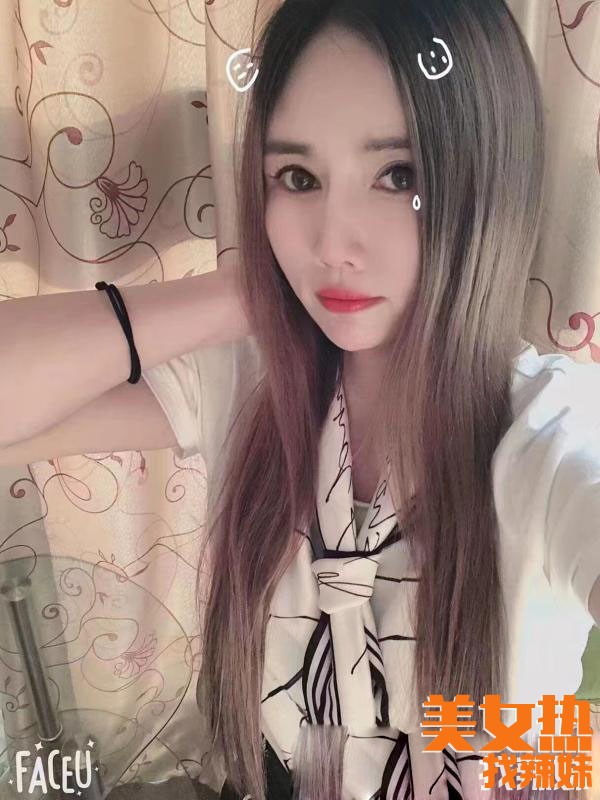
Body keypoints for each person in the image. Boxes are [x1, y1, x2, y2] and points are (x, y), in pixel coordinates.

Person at [0, 1, 599, 799]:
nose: (331, 243)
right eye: (298, 178)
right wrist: (244, 289)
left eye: (400, 175)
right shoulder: (249, 382)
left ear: (487, 182)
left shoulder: (547, 432)